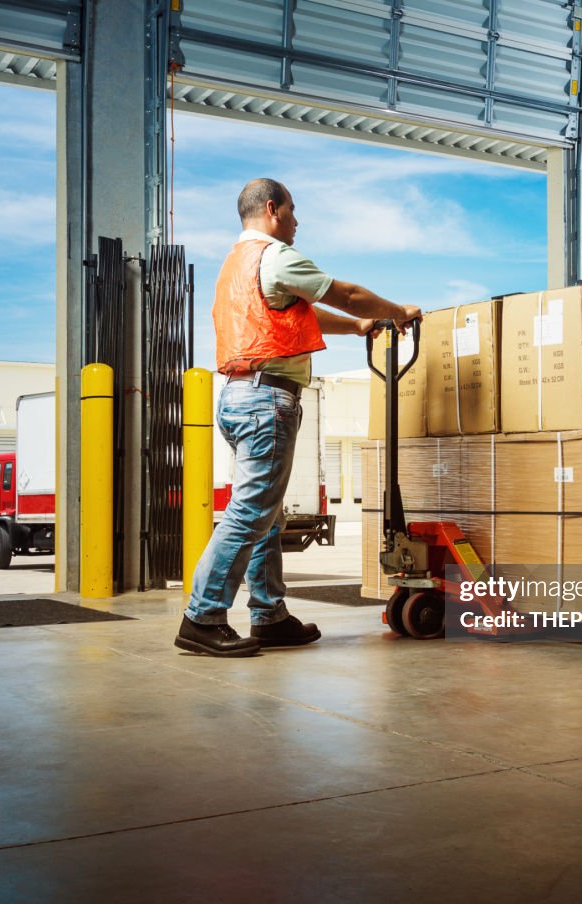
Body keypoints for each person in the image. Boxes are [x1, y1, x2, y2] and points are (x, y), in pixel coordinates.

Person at [175, 178, 422, 657]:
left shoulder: (236, 266)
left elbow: (306, 312)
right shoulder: (276, 256)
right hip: (267, 400)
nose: (296, 221)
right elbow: (344, 294)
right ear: (272, 209)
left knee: (265, 516)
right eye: (292, 211)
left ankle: (269, 616)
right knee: (250, 514)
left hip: (238, 396)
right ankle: (201, 617)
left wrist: (356, 328)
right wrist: (396, 311)